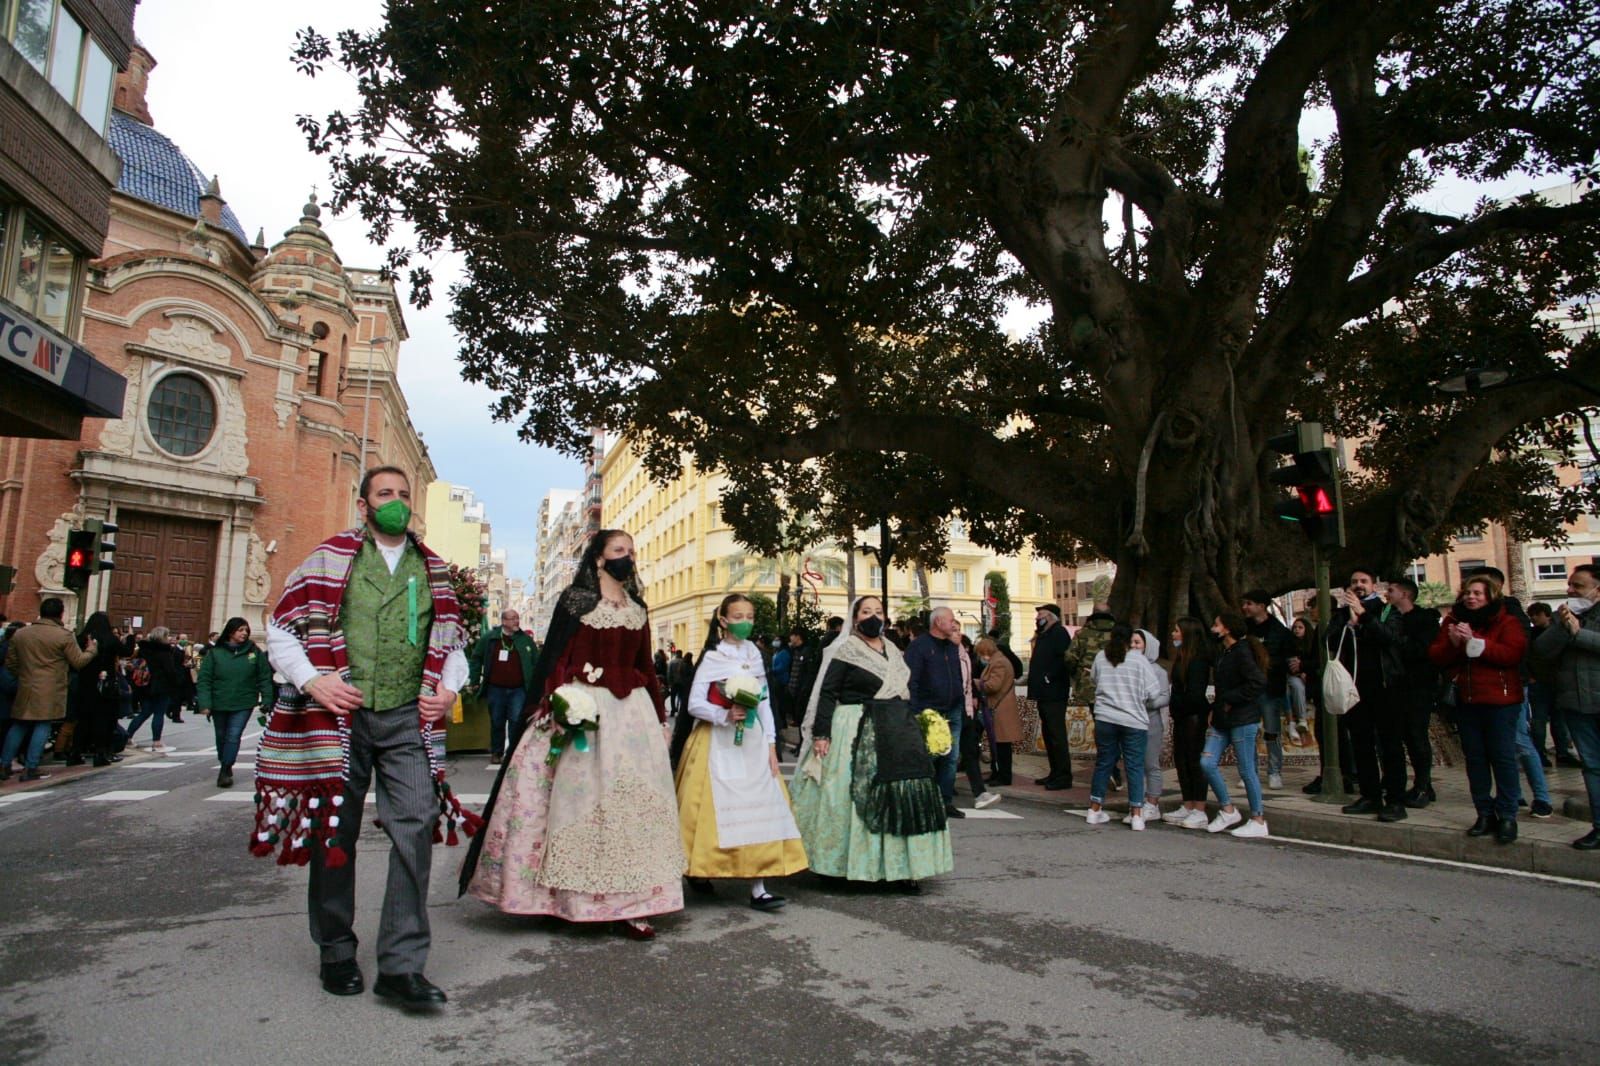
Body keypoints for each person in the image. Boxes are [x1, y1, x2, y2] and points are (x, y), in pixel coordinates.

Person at [260, 465, 473, 1010]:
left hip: (408, 718)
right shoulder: (329, 558)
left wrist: (448, 691)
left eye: (404, 495)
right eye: (386, 495)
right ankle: (335, 949)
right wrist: (314, 679)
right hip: (340, 717)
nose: (397, 503)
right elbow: (281, 629)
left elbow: (452, 644)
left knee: (416, 826)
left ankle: (401, 967)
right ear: (363, 506)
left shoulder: (436, 570)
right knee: (335, 834)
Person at [463, 529, 685, 941]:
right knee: (578, 802)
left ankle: (635, 906)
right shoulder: (576, 601)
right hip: (586, 710)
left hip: (632, 716)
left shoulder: (638, 607)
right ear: (599, 559)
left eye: (631, 552)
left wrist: (659, 717)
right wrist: (559, 703)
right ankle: (569, 901)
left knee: (633, 807)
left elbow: (645, 667)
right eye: (619, 551)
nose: (628, 558)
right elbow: (557, 657)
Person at [792, 595, 952, 892]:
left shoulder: (894, 651)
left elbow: (905, 692)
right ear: (855, 618)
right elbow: (827, 693)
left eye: (878, 611)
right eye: (866, 611)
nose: (872, 617)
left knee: (902, 794)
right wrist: (821, 734)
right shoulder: (846, 650)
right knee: (845, 797)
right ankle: (838, 867)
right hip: (854, 726)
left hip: (895, 727)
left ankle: (902, 869)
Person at [676, 594, 807, 909]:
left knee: (760, 806)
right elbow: (694, 704)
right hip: (717, 743)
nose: (745, 621)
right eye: (738, 615)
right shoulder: (713, 657)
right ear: (723, 620)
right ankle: (701, 870)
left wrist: (772, 744)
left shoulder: (755, 653)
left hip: (753, 742)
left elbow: (764, 702)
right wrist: (724, 715)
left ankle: (759, 886)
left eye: (749, 615)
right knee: (712, 810)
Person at [1428, 571, 1527, 845]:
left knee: (1503, 757)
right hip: (1467, 700)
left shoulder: (1506, 621)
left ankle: (1508, 814)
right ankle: (1484, 812)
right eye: (1468, 593)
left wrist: (1475, 643)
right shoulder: (1453, 621)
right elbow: (1436, 655)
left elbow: (1511, 654)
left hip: (1500, 702)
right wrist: (1455, 643)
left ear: (1490, 596)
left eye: (1477, 594)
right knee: (1476, 759)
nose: (1471, 598)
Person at [1326, 569, 1408, 822]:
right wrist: (1347, 623)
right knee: (1361, 744)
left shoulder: (1386, 611)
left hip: (1384, 688)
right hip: (1355, 689)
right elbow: (1328, 642)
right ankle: (1370, 795)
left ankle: (1395, 800)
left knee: (1390, 745)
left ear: (1374, 585)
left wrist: (1364, 617)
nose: (1358, 585)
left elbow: (1390, 638)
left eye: (1364, 581)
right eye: (1354, 582)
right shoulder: (1341, 614)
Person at [1533, 563, 1600, 849]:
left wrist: (1579, 633)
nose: (1571, 590)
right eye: (1570, 585)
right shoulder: (1565, 617)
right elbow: (1541, 651)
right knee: (1593, 767)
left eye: (1579, 586)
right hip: (1576, 703)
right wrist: (1564, 626)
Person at [1, 599, 96, 781]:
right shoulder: (63, 635)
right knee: (42, 725)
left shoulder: (21, 634)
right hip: (50, 687)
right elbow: (78, 661)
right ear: (60, 614)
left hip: (26, 685)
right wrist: (92, 650)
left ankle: (4, 763)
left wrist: (26, 674)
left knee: (19, 724)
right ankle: (31, 767)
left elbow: (11, 663)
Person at [1082, 624, 1163, 830]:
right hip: (1133, 720)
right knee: (1134, 766)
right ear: (1129, 641)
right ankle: (1137, 814)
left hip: (1105, 718)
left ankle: (1094, 809)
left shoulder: (1101, 657)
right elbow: (1154, 692)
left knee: (1104, 763)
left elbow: (1094, 680)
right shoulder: (1139, 660)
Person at [1201, 613, 1270, 838]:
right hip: (1223, 719)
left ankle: (1258, 819)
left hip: (1242, 719)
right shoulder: (1225, 652)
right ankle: (1227, 809)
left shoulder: (1241, 652)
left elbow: (1257, 682)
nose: (1213, 628)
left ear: (1228, 628)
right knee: (1207, 762)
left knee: (1247, 769)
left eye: (1216, 624)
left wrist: (1231, 699)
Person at [905, 606, 969, 818]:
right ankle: (924, 800)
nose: (954, 623)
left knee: (951, 757)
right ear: (938, 622)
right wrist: (915, 710)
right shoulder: (920, 647)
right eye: (951, 620)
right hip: (929, 710)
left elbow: (959, 673)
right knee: (930, 756)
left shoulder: (952, 646)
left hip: (953, 708)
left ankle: (945, 800)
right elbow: (911, 679)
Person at [196, 617, 273, 788]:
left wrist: (266, 699)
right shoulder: (215, 654)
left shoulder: (254, 652)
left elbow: (264, 676)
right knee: (221, 736)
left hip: (243, 702)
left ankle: (225, 768)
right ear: (230, 632)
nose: (244, 633)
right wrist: (205, 703)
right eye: (240, 630)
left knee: (234, 735)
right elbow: (205, 679)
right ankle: (225, 761)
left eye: (246, 630)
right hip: (219, 702)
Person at [1386, 578, 1443, 808]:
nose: (1387, 593)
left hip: (1418, 687)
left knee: (1416, 736)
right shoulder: (1390, 617)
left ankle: (1422, 785)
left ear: (1405, 594)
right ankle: (1423, 784)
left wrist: (1397, 642)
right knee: (1405, 737)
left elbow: (1421, 651)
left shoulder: (1423, 621)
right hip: (1396, 687)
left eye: (1391, 589)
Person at [467, 608, 539, 767]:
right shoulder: (490, 638)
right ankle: (496, 752)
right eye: (512, 618)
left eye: (517, 618)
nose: (516, 621)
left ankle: (513, 752)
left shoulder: (525, 640)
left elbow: (536, 662)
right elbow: (476, 658)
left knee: (515, 721)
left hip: (518, 689)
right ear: (504, 621)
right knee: (497, 721)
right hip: (496, 689)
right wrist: (474, 679)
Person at [1162, 617, 1213, 829]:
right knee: (1181, 761)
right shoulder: (1182, 657)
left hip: (1193, 717)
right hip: (1181, 716)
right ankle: (1188, 804)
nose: (1173, 634)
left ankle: (1199, 808)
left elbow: (1194, 693)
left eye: (1176, 631)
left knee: (1194, 761)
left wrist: (1180, 706)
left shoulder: (1198, 659)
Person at [68, 611, 136, 767]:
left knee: (83, 720)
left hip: (85, 684)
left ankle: (75, 752)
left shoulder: (81, 639)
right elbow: (127, 652)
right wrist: (130, 636)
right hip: (105, 685)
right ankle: (101, 753)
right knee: (104, 720)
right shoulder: (110, 639)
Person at [1241, 591, 1293, 790]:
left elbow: (1287, 659)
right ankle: (1250, 771)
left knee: (1271, 731)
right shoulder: (1245, 630)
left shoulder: (1279, 631)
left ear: (1262, 606)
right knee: (1247, 731)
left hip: (1270, 689)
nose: (1245, 607)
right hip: (1248, 688)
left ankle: (1274, 771)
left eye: (1249, 603)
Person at [1027, 603, 1073, 790]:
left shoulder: (1059, 633)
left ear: (1052, 616)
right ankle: (1055, 772)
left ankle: (1063, 776)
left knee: (1056, 735)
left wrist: (1048, 677)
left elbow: (1064, 660)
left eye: (1041, 615)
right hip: (1044, 694)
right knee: (1048, 735)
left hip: (1054, 693)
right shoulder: (1043, 635)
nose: (1038, 618)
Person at [1127, 628, 1170, 823]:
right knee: (1134, 764)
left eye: (1138, 643)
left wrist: (1145, 703)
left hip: (1151, 721)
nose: (1134, 647)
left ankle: (1152, 803)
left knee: (1150, 763)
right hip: (1131, 721)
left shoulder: (1158, 671)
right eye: (1132, 643)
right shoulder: (1127, 667)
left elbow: (1164, 696)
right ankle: (1137, 802)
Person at [123, 628, 185, 753]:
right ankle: (156, 741)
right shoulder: (164, 652)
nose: (169, 638)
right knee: (158, 713)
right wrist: (175, 684)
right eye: (167, 636)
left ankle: (127, 737)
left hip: (144, 686)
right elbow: (170, 671)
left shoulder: (144, 649)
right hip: (161, 686)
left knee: (144, 713)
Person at [1525, 602, 1568, 767]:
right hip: (1539, 683)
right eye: (1531, 615)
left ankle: (1562, 752)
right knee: (1539, 721)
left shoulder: (1558, 632)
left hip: (1557, 683)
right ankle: (1539, 753)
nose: (1534, 618)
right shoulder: (1531, 634)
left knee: (1559, 720)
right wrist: (1531, 677)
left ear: (1546, 614)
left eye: (1537, 614)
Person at [976, 636, 1021, 786]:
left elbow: (993, 686)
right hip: (998, 708)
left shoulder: (999, 662)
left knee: (1002, 745)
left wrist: (976, 682)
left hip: (1001, 709)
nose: (981, 657)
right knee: (998, 744)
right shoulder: (997, 660)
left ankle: (1003, 776)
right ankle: (997, 773)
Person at [1286, 616, 1318, 743]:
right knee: (1296, 686)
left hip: (1310, 676)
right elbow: (1290, 664)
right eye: (1295, 627)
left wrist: (1306, 671)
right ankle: (1301, 719)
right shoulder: (1289, 644)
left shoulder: (1311, 645)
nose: (1297, 630)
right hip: (1294, 677)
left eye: (1300, 627)